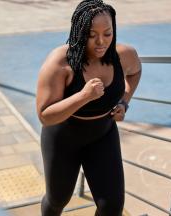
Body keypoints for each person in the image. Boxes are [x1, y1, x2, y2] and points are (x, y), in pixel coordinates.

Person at [35, 0, 142, 215]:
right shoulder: (60, 63)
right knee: (58, 199)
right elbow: (45, 115)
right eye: (92, 35)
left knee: (111, 206)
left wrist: (124, 101)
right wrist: (83, 96)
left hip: (103, 134)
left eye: (108, 33)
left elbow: (135, 72)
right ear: (79, 31)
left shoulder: (124, 55)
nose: (101, 42)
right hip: (63, 138)